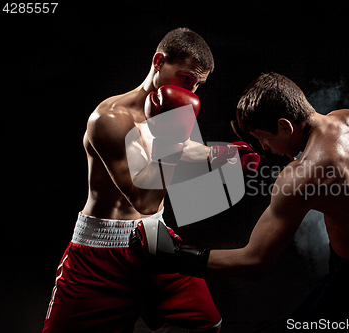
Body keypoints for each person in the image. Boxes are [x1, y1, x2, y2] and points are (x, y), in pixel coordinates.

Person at [131, 72, 349, 328]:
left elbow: (253, 262)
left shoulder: (301, 175)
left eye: (263, 139)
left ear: (284, 125)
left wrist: (177, 257)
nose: (265, 148)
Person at [43, 28, 224, 333]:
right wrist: (174, 134)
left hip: (154, 239)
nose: (192, 91)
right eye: (186, 79)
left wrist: (221, 154)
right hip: (99, 252)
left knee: (209, 325)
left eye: (198, 85)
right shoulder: (109, 119)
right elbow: (144, 199)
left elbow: (176, 150)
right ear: (158, 61)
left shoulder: (165, 114)